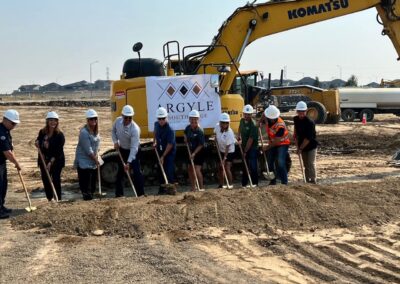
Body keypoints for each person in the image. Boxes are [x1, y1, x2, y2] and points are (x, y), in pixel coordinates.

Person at [112, 105, 145, 197]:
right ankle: (119, 195)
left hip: (134, 151)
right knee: (120, 172)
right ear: (122, 116)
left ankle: (141, 194)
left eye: (130, 118)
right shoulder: (117, 121)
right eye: (126, 117)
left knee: (137, 172)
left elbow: (134, 148)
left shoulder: (135, 129)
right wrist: (115, 142)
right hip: (122, 149)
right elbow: (113, 131)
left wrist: (129, 162)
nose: (127, 120)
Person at [35, 111, 65, 201]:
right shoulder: (42, 132)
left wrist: (50, 163)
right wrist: (37, 142)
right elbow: (38, 140)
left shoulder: (60, 135)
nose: (53, 122)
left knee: (56, 179)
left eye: (55, 120)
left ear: (57, 122)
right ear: (47, 121)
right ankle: (49, 198)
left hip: (56, 160)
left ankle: (58, 198)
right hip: (44, 160)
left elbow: (58, 151)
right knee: (46, 179)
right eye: (51, 120)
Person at [74, 109, 100, 200]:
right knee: (86, 186)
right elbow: (88, 150)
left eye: (95, 119)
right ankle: (87, 199)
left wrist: (97, 154)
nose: (93, 121)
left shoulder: (96, 132)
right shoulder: (84, 133)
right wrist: (96, 159)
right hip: (84, 162)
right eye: (91, 119)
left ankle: (90, 199)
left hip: (92, 161)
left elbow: (96, 145)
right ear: (88, 120)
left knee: (92, 185)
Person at [0, 110, 22, 219]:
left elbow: (10, 148)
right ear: (5, 120)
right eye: (13, 123)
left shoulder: (6, 130)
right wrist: (17, 164)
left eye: (15, 124)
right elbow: (7, 153)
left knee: (3, 185)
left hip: (1, 162)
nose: (14, 126)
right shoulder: (1, 132)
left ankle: (1, 206)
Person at [263, 105, 290, 185]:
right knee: (270, 161)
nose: (271, 120)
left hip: (282, 143)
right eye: (270, 118)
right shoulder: (267, 117)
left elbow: (277, 141)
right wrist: (260, 122)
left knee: (280, 161)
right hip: (273, 142)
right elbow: (263, 116)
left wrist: (267, 147)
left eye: (273, 118)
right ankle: (273, 181)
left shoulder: (280, 125)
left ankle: (284, 181)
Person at [293, 101, 319, 184]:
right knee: (305, 164)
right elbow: (296, 130)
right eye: (299, 112)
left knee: (310, 163)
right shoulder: (296, 119)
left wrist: (300, 148)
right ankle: (307, 180)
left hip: (311, 145)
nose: (301, 113)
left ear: (306, 111)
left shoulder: (310, 122)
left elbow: (308, 138)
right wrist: (295, 136)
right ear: (297, 111)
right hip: (301, 144)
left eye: (303, 112)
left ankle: (313, 179)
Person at [153, 107, 176, 195]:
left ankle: (171, 190)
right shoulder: (156, 124)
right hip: (160, 148)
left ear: (166, 118)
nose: (161, 120)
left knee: (168, 169)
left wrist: (163, 157)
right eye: (160, 119)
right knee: (160, 170)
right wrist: (154, 141)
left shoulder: (170, 129)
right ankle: (162, 189)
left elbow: (170, 145)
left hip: (169, 152)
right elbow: (155, 131)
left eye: (163, 118)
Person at [184, 110, 205, 191]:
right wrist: (185, 138)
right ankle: (193, 187)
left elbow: (201, 144)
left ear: (198, 119)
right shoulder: (188, 127)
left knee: (196, 169)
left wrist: (194, 153)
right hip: (190, 150)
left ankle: (201, 187)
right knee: (190, 168)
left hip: (199, 152)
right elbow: (185, 133)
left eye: (195, 119)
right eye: (192, 119)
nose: (193, 121)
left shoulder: (200, 131)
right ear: (189, 120)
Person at [238, 104, 258, 187]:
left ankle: (254, 183)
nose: (246, 116)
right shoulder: (242, 121)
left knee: (253, 165)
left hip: (252, 147)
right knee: (245, 165)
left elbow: (250, 140)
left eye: (248, 114)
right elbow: (240, 128)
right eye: (245, 114)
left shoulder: (253, 124)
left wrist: (245, 151)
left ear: (251, 114)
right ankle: (244, 183)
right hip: (244, 145)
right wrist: (238, 136)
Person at [214, 113, 235, 188]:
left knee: (227, 167)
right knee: (220, 167)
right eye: (223, 122)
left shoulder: (230, 133)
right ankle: (221, 184)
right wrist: (215, 139)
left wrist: (224, 158)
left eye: (226, 122)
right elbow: (215, 134)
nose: (225, 124)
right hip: (220, 149)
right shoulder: (217, 127)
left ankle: (230, 184)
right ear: (220, 123)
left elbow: (227, 147)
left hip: (229, 151)